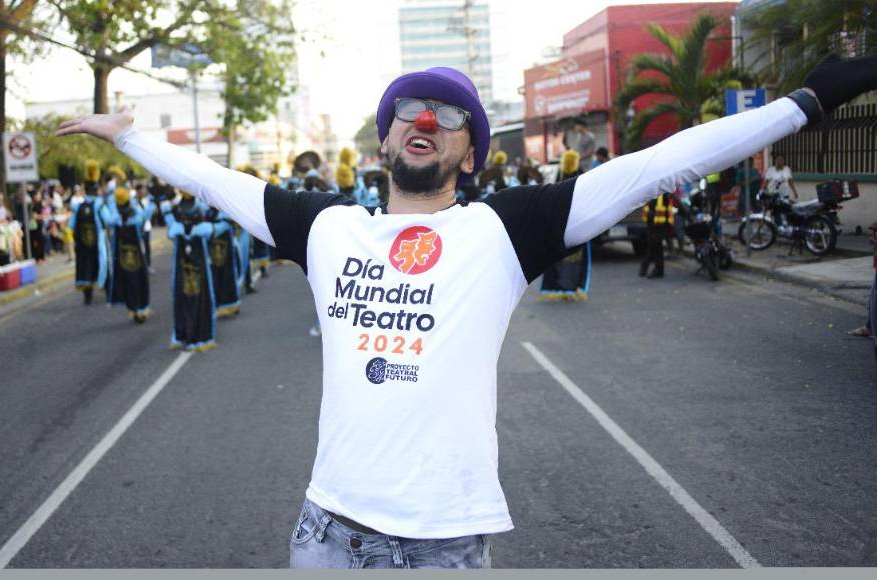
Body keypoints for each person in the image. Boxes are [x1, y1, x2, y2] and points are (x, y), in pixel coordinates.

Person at [57, 55, 877, 569]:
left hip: (444, 542)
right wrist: (130, 138)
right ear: (383, 143)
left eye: (451, 117)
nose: (427, 121)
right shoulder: (328, 229)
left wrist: (805, 103)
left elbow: (661, 164)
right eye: (411, 112)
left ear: (473, 154)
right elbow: (214, 182)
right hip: (327, 532)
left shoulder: (502, 232)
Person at [160, 193, 229, 351]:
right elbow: (223, 225)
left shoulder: (177, 228)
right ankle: (196, 335)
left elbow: (169, 222)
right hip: (197, 272)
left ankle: (183, 335)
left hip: (184, 273)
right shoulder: (202, 228)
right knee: (198, 301)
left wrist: (167, 211)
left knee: (184, 301)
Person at [539, 149, 591, 300]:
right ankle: (572, 287)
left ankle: (556, 287)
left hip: (559, 224)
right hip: (577, 223)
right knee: (575, 257)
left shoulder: (558, 178)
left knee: (557, 256)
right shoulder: (581, 178)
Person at [106, 186, 155, 322]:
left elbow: (109, 220)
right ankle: (141, 308)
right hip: (138, 255)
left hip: (123, 258)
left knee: (128, 282)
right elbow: (145, 217)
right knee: (140, 280)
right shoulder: (136, 216)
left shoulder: (116, 218)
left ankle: (133, 308)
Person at [68, 160, 112, 305]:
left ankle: (87, 295)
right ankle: (106, 289)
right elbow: (109, 220)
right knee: (103, 263)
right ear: (97, 190)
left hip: (82, 244)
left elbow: (70, 226)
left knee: (84, 266)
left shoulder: (77, 206)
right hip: (98, 242)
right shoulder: (99, 204)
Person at [640, 193, 675, 278]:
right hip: (654, 226)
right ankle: (654, 269)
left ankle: (654, 269)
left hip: (658, 227)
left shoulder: (661, 194)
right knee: (655, 248)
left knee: (655, 248)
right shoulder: (655, 195)